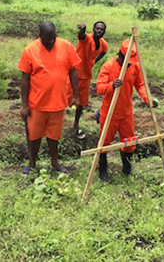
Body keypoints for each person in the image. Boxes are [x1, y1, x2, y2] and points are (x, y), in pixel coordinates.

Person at [18, 21, 81, 175]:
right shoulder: (30, 50)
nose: (51, 42)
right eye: (47, 39)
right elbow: (25, 81)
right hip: (37, 104)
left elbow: (73, 72)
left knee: (54, 136)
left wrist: (76, 95)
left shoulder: (66, 46)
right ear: (39, 36)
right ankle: (32, 164)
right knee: (34, 137)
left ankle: (55, 163)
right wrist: (24, 105)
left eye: (53, 38)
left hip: (58, 103)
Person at [95, 39, 155, 183]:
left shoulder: (134, 67)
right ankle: (103, 171)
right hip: (109, 113)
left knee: (129, 143)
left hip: (126, 113)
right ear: (121, 55)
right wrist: (112, 85)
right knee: (104, 144)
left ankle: (127, 168)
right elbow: (99, 88)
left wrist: (148, 99)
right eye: (129, 61)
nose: (131, 64)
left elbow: (140, 85)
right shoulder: (108, 66)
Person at [70, 21, 108, 140]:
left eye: (101, 30)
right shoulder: (87, 39)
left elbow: (104, 51)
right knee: (64, 98)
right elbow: (82, 36)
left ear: (104, 32)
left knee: (81, 103)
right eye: (97, 28)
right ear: (93, 29)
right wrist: (82, 29)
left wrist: (93, 61)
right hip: (74, 73)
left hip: (86, 76)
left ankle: (75, 124)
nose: (99, 31)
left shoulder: (103, 44)